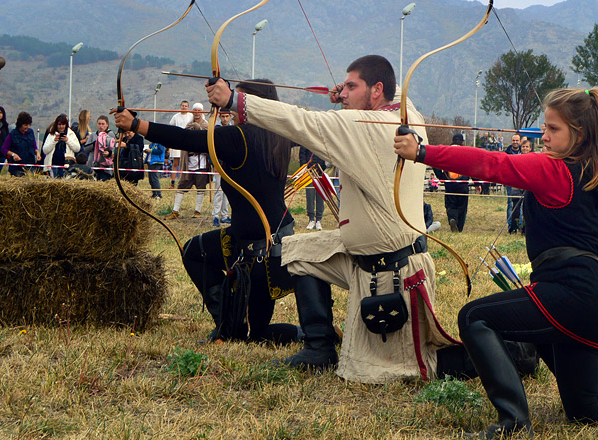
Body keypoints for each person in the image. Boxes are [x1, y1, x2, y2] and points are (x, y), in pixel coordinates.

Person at [394, 87, 598, 439]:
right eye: (544, 126)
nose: (543, 136)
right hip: (591, 298)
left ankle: (512, 423)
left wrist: (422, 151)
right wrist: (589, 115)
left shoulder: (554, 170)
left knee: (473, 317)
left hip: (568, 294)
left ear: (579, 133)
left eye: (553, 128)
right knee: (586, 410)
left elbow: (492, 164)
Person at [205, 55, 528, 383]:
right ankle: (319, 348)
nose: (343, 93)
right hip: (360, 254)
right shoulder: (405, 114)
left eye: (351, 86)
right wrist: (352, 91)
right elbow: (397, 91)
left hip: (394, 271)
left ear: (376, 91)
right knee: (302, 251)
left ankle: (513, 354)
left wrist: (235, 100)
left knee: (400, 367)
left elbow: (299, 120)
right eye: (343, 86)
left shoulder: (362, 127)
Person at [114, 81, 301, 343]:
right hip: (260, 239)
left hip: (265, 254)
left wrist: (136, 125)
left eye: (241, 100)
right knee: (195, 252)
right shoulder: (282, 133)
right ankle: (227, 323)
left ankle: (313, 333)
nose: (236, 105)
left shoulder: (240, 137)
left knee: (257, 335)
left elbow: (186, 138)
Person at [166, 103, 210, 219]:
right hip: (188, 162)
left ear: (202, 112)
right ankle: (175, 211)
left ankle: (197, 211)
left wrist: (197, 129)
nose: (196, 112)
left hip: (201, 162)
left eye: (199, 110)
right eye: (194, 110)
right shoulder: (188, 125)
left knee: (201, 187)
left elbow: (206, 139)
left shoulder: (206, 125)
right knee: (181, 186)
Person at [434, 134, 470, 232]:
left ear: (452, 140)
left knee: (451, 205)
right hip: (463, 184)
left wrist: (441, 177)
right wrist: (477, 182)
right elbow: (472, 166)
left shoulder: (446, 151)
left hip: (449, 184)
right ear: (462, 141)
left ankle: (452, 218)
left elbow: (435, 162)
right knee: (462, 207)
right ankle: (459, 227)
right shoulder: (466, 152)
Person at [211, 110, 233, 226]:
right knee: (218, 190)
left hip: (229, 164)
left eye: (227, 116)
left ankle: (224, 215)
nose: (225, 119)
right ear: (220, 117)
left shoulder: (233, 129)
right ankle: (215, 215)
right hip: (219, 163)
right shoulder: (216, 130)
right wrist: (215, 163)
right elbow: (212, 147)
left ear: (230, 117)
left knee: (227, 191)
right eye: (223, 116)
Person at [2, 111, 40, 177]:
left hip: (30, 166)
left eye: (28, 125)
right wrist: (13, 155)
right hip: (17, 167)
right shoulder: (13, 134)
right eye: (25, 125)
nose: (27, 127)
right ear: (20, 124)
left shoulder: (31, 132)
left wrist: (37, 152)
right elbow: (4, 149)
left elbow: (34, 145)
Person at [42, 114, 81, 178]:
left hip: (67, 165)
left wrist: (67, 140)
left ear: (66, 125)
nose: (61, 127)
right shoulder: (51, 134)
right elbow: (45, 150)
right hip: (53, 164)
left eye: (63, 124)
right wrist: (53, 142)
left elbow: (77, 148)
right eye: (59, 124)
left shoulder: (71, 134)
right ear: (56, 125)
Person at [299, 146, 326, 231]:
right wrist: (304, 168)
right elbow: (302, 154)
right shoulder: (305, 138)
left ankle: (318, 220)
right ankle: (311, 219)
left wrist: (325, 167)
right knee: (310, 196)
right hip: (309, 173)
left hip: (321, 172)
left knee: (320, 196)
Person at [168, 100, 192, 188]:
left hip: (188, 141)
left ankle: (189, 183)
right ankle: (172, 183)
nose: (184, 107)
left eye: (186, 106)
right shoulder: (175, 117)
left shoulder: (191, 116)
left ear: (188, 107)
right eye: (183, 105)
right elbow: (171, 128)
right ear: (180, 106)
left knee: (188, 163)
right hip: (177, 141)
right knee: (175, 163)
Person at [503, 135, 521, 234]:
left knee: (521, 204)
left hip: (521, 181)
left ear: (520, 141)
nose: (515, 142)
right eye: (513, 140)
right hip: (510, 181)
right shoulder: (506, 153)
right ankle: (511, 227)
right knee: (510, 203)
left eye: (517, 140)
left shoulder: (523, 152)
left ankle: (520, 226)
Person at [91, 115, 117, 181]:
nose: (101, 126)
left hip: (106, 166)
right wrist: (96, 144)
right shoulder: (93, 135)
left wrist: (109, 153)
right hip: (94, 164)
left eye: (103, 124)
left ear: (107, 125)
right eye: (99, 124)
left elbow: (114, 148)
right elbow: (87, 148)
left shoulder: (111, 134)